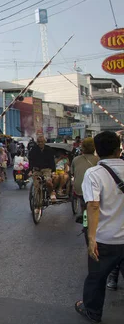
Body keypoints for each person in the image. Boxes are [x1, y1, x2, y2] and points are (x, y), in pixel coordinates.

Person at [75, 131, 124, 323]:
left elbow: (93, 206)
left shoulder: (94, 173)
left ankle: (93, 312)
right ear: (118, 149)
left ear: (97, 150)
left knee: (97, 278)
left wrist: (91, 238)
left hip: (105, 239)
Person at [28, 135, 56, 203]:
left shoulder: (49, 149)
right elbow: (31, 160)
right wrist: (30, 170)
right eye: (39, 142)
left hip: (46, 170)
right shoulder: (34, 149)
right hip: (37, 170)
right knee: (37, 187)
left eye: (41, 142)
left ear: (44, 142)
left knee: (48, 181)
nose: (40, 143)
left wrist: (53, 171)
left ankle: (51, 192)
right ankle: (38, 205)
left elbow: (52, 161)